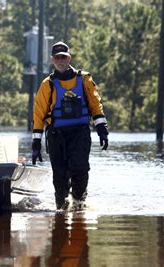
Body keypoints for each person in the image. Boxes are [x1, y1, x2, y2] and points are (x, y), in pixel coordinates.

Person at [31, 41, 109, 210]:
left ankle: (80, 205)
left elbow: (96, 104)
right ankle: (61, 208)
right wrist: (36, 142)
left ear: (69, 58)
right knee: (60, 175)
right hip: (56, 135)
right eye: (57, 57)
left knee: (80, 169)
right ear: (52, 60)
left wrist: (102, 129)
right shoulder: (47, 85)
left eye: (63, 57)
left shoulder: (84, 79)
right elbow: (38, 114)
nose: (60, 61)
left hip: (79, 133)